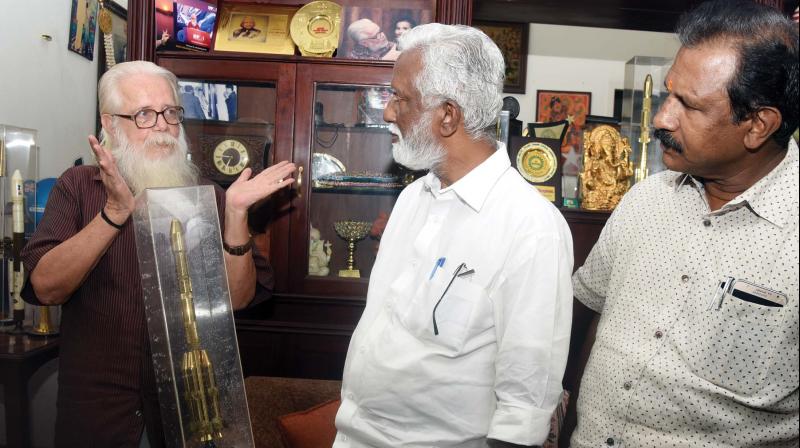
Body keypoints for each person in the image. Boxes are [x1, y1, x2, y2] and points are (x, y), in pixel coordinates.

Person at [21, 61, 297, 447]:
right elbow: (47, 288)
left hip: (187, 415)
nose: (163, 126)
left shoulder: (207, 196)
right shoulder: (79, 186)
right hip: (99, 415)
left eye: (170, 112)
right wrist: (114, 214)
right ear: (111, 123)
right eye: (144, 115)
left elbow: (238, 299)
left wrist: (236, 214)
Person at [567, 1, 799, 447]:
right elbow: (593, 316)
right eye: (668, 93)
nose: (661, 118)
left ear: (758, 125)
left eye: (688, 105)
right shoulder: (645, 200)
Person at [334, 24, 574, 447]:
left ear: (448, 115)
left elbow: (524, 406)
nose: (389, 112)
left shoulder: (530, 226)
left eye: (400, 98)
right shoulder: (412, 198)